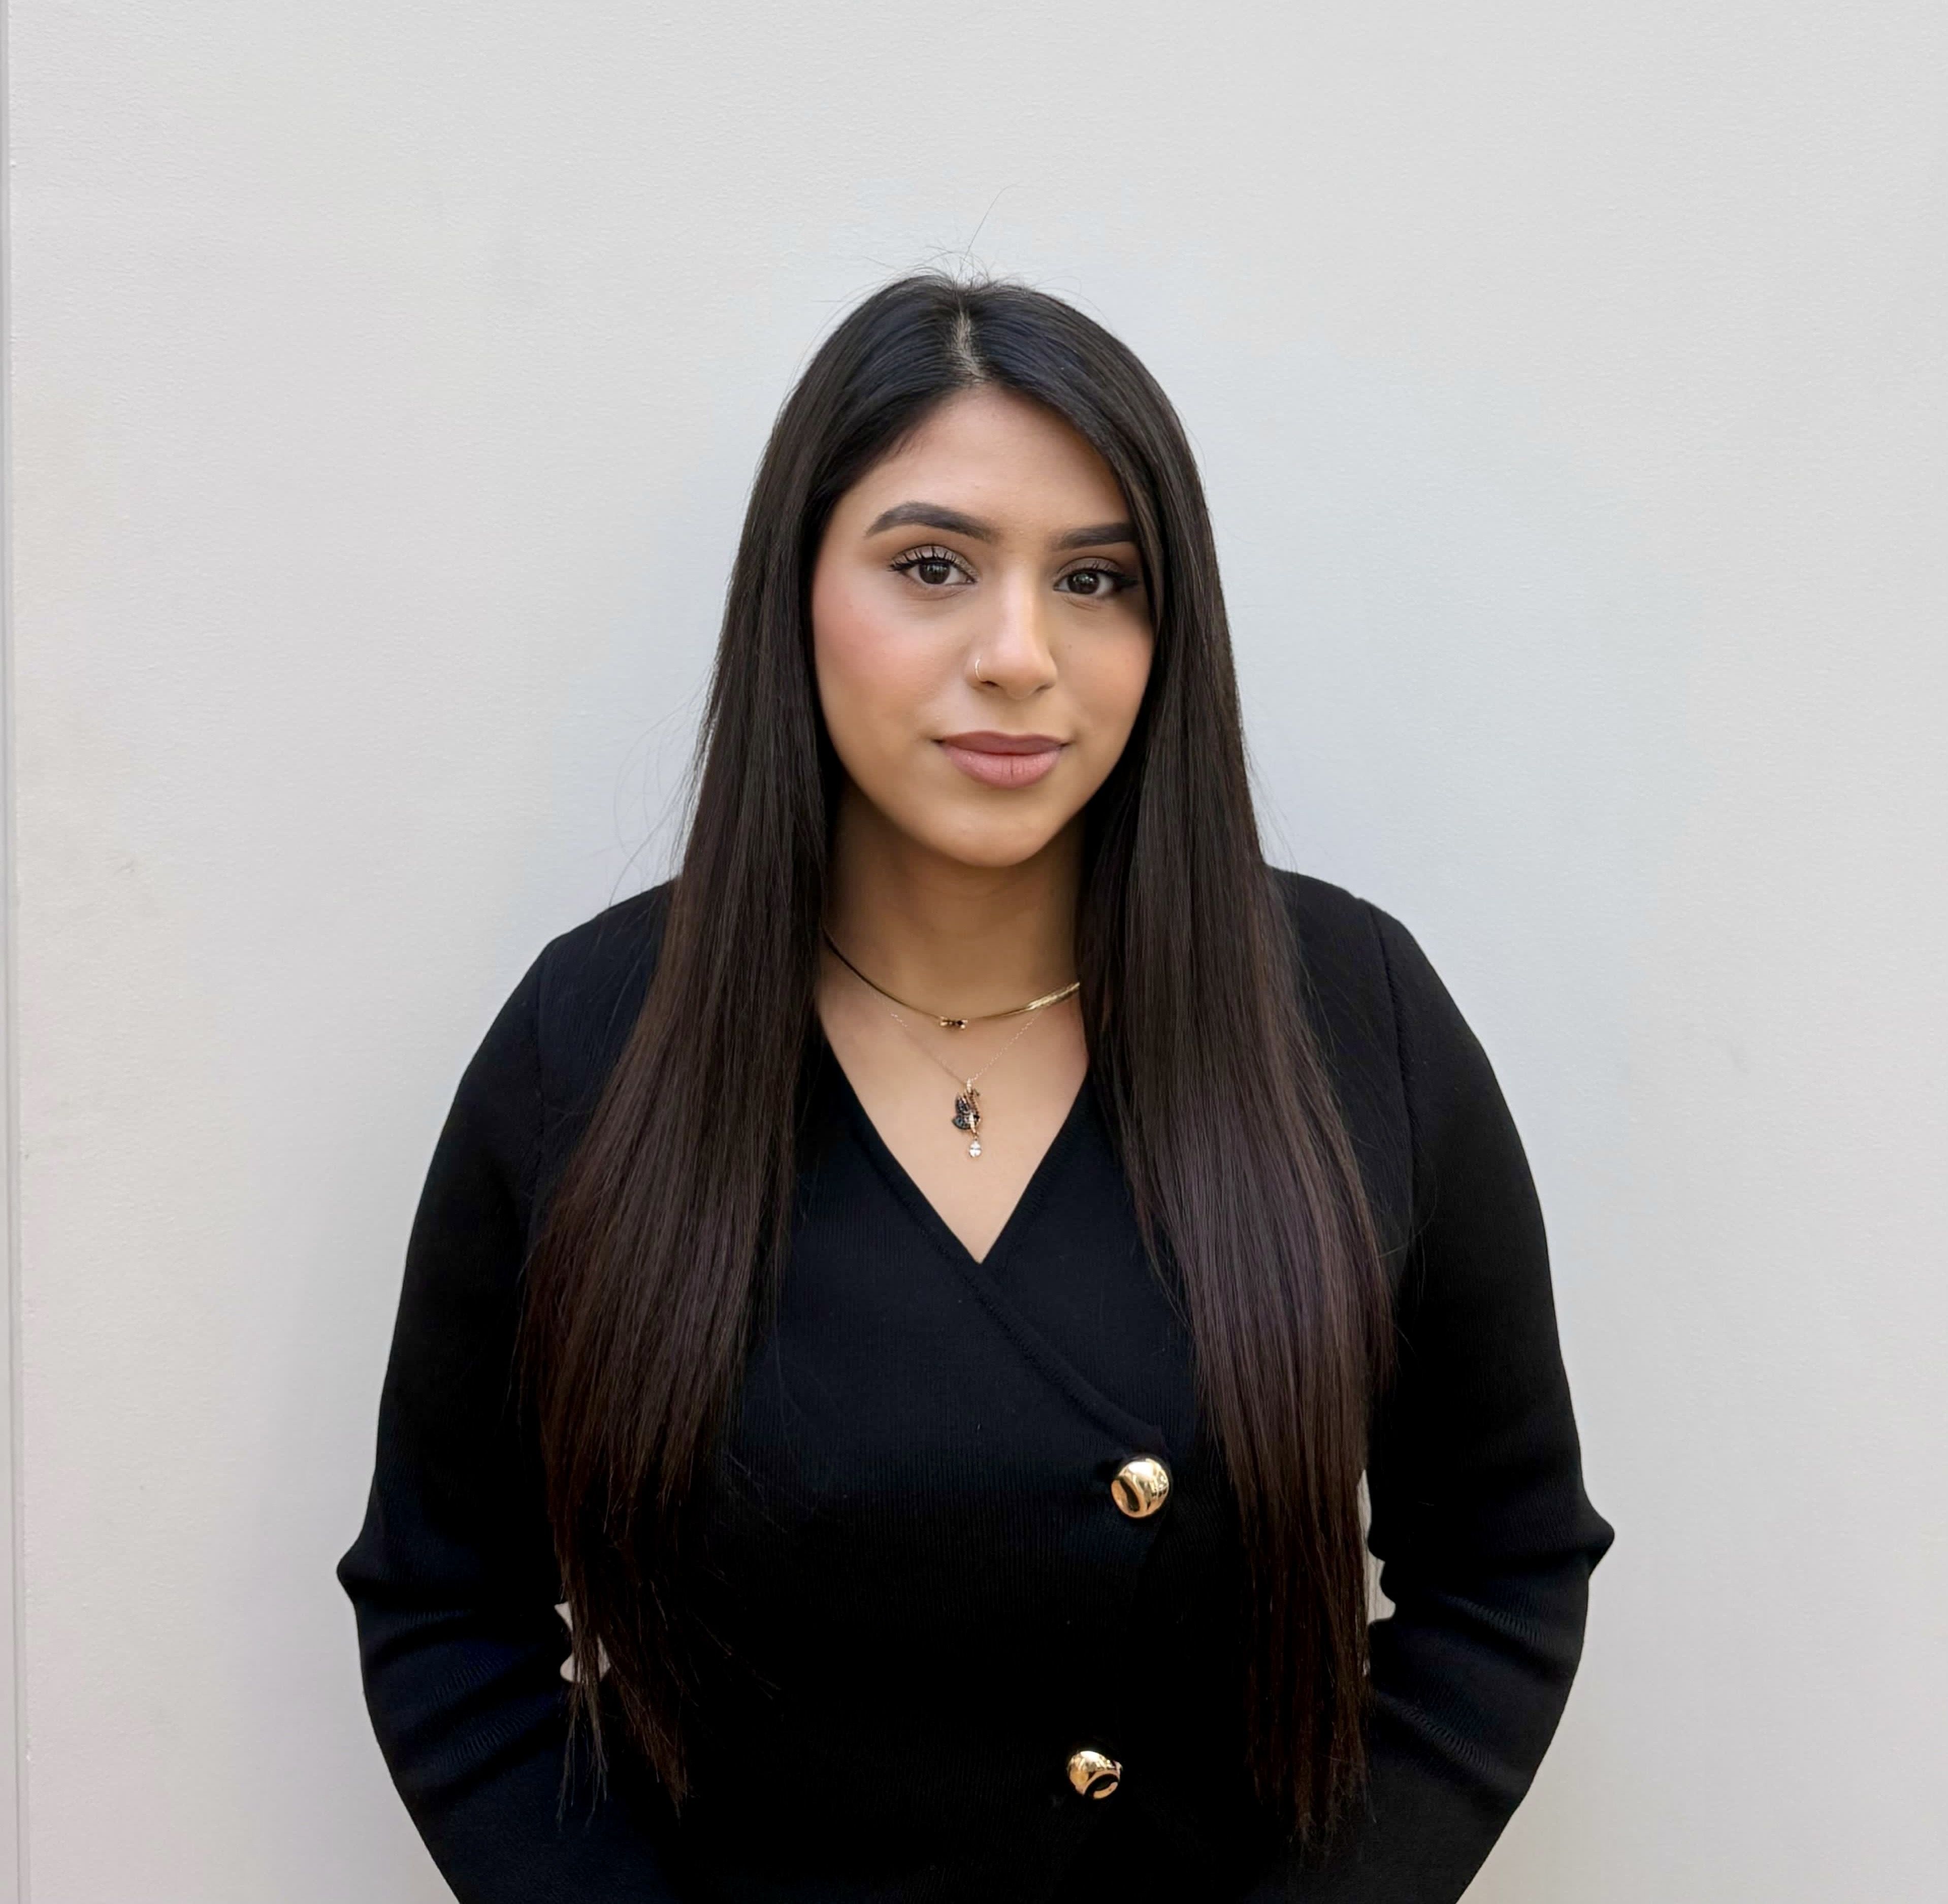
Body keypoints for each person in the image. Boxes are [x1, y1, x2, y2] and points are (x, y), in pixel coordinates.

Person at [336, 270, 1614, 1903]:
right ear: (796, 593)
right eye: (931, 567)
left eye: (1096, 580)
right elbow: (445, 1602)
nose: (1020, 656)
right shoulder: (595, 1037)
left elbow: (1503, 1564)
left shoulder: (1344, 1009)